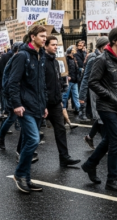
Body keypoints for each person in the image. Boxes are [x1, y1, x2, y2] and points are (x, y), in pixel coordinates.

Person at [81, 28, 117, 192]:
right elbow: (92, 82)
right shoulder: (102, 59)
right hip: (106, 106)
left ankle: (90, 164)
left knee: (109, 139)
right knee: (116, 141)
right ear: (114, 40)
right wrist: (110, 96)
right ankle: (112, 179)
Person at [8, 25, 49, 194]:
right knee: (33, 139)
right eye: (41, 36)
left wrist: (44, 104)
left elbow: (41, 83)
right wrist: (16, 104)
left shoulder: (41, 55)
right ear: (32, 37)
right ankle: (19, 174)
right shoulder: (22, 56)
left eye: (46, 36)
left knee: (27, 141)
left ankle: (26, 177)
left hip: (37, 106)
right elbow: (13, 82)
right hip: (25, 106)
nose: (45, 38)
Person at [42, 35, 80, 168]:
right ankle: (21, 153)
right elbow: (40, 84)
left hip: (55, 103)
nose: (55, 46)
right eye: (52, 44)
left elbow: (57, 82)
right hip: (43, 104)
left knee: (60, 129)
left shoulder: (56, 62)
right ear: (45, 46)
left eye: (56, 44)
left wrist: (60, 100)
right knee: (32, 133)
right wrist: (43, 102)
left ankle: (64, 157)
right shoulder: (41, 61)